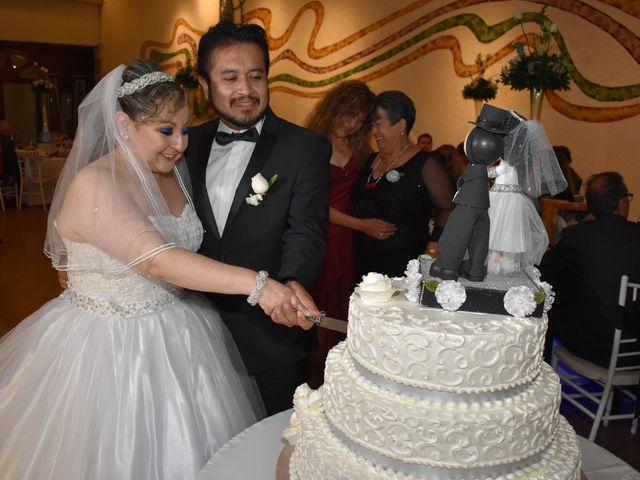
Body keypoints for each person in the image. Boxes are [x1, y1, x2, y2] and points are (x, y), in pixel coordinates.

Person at [0, 60, 315, 479]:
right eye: (165, 130)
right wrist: (259, 285)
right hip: (107, 349)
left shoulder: (168, 175)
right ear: (123, 124)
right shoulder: (96, 184)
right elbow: (157, 258)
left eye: (184, 129)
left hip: (181, 331)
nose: (180, 143)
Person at [186, 21, 331, 415]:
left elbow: (307, 230)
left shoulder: (305, 148)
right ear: (204, 85)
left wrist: (294, 282)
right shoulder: (183, 144)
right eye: (230, 77)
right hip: (190, 336)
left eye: (256, 76)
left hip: (271, 336)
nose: (246, 90)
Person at [303, 79, 377, 388]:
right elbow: (316, 204)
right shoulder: (312, 142)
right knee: (319, 308)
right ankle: (313, 382)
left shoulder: (360, 148)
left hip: (350, 242)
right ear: (335, 108)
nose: (353, 123)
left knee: (344, 307)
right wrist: (361, 225)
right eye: (350, 114)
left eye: (361, 119)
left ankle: (340, 382)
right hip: (321, 235)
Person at [540, 172, 640, 366]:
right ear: (622, 203)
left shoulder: (577, 235)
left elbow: (545, 274)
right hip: (635, 348)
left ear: (590, 206)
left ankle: (541, 376)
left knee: (547, 301)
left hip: (596, 348)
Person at [353, 91, 453, 278]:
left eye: (378, 123)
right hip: (365, 263)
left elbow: (447, 208)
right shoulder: (370, 160)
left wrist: (434, 244)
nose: (373, 131)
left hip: (405, 265)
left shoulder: (426, 164)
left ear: (401, 124)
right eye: (371, 125)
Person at [486, 113, 566, 275]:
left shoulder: (508, 165)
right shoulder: (515, 165)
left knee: (501, 231)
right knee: (505, 231)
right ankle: (504, 261)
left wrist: (482, 170)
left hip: (502, 199)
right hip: (510, 198)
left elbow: (495, 172)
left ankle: (498, 263)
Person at [0, 119, 19, 201]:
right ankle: (13, 198)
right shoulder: (8, 142)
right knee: (18, 171)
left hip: (2, 171)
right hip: (4, 173)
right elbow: (10, 160)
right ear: (7, 131)